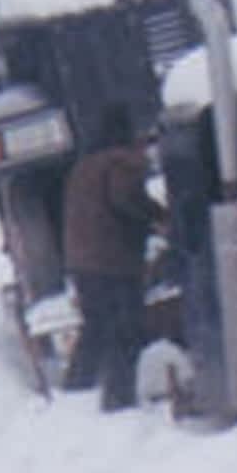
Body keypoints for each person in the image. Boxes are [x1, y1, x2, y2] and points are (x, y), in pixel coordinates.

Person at [61, 103, 166, 412]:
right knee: (126, 332)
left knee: (95, 329)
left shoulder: (84, 165)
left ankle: (74, 394)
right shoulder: (122, 162)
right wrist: (159, 217)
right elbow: (126, 198)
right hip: (114, 262)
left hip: (82, 263)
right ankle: (119, 404)